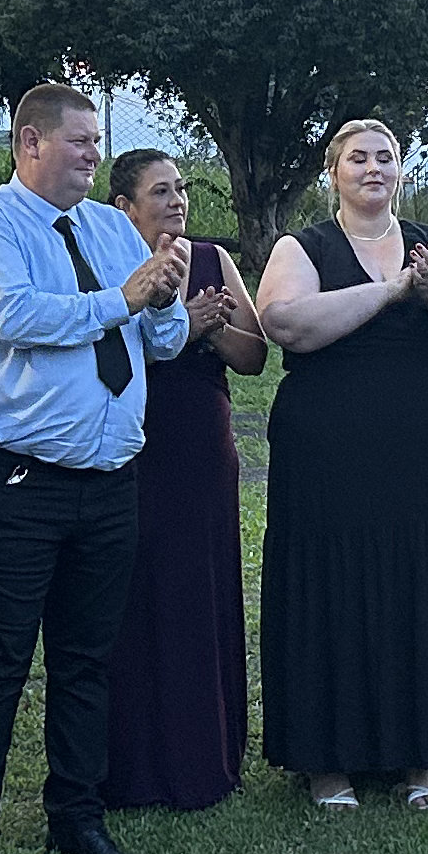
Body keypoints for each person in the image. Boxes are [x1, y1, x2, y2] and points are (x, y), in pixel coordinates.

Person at [0, 83, 193, 854]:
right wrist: (126, 296)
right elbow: (15, 318)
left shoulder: (111, 228)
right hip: (17, 479)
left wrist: (166, 296)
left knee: (86, 660)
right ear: (29, 142)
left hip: (109, 479)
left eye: (96, 142)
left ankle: (76, 816)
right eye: (79, 141)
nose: (92, 155)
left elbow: (161, 341)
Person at [255, 119, 428, 810]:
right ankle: (327, 760)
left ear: (400, 171)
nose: (373, 168)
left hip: (427, 454)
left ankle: (424, 754)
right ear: (334, 171)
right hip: (328, 453)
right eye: (357, 157)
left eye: (386, 157)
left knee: (426, 584)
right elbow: (286, 323)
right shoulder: (304, 247)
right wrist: (391, 291)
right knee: (331, 585)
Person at [102, 149, 266, 812]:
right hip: (128, 440)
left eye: (181, 189)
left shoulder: (211, 260)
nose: (177, 201)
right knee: (131, 592)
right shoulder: (107, 262)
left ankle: (203, 754)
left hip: (198, 446)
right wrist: (175, 326)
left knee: (198, 588)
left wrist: (211, 329)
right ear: (125, 207)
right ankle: (131, 762)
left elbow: (255, 356)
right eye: (161, 191)